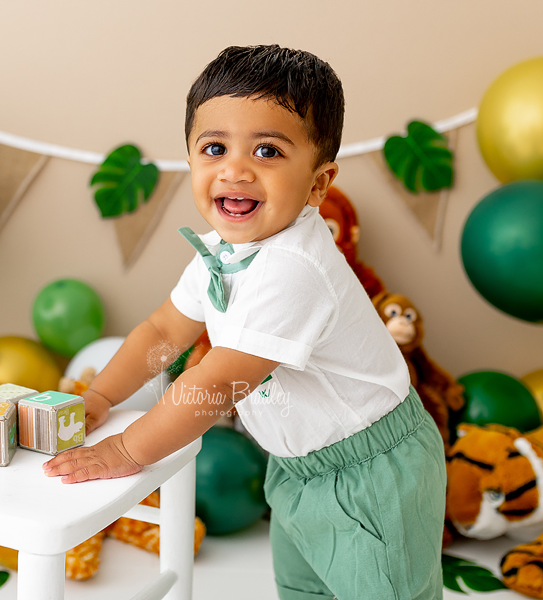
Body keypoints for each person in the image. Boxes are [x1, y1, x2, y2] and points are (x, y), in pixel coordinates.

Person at [43, 45, 446, 600]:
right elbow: (165, 335)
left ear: (318, 183)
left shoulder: (295, 267)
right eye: (215, 148)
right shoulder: (221, 250)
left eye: (267, 151)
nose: (235, 169)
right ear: (190, 160)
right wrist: (103, 396)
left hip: (369, 471)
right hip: (297, 464)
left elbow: (222, 381)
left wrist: (126, 450)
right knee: (304, 588)